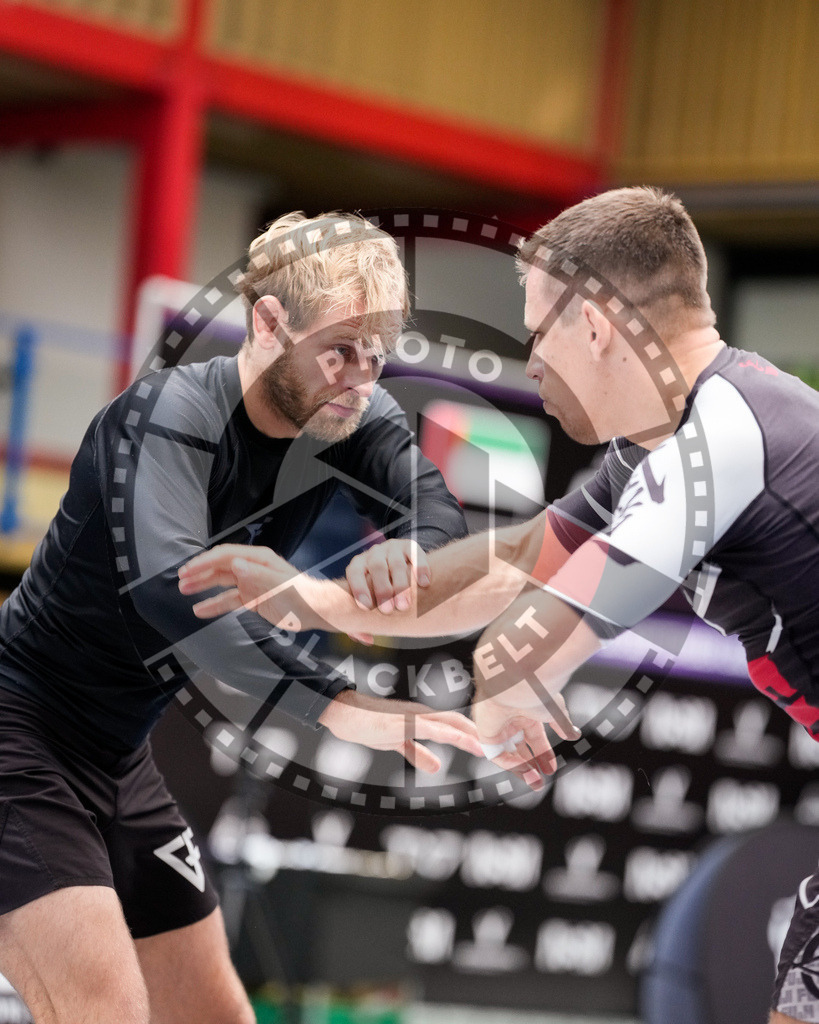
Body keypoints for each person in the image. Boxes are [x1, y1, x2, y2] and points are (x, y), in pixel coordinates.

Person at [182, 187, 819, 1024]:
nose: (535, 363)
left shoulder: (721, 434)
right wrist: (321, 601)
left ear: (594, 323)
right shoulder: (666, 443)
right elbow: (520, 560)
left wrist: (505, 672)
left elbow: (561, 622)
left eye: (538, 333)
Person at [0, 210, 482, 1024]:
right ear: (267, 322)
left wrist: (408, 546)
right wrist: (341, 705)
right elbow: (176, 596)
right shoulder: (167, 417)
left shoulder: (351, 413)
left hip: (118, 759)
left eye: (377, 356)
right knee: (103, 1012)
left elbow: (436, 509)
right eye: (338, 352)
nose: (359, 382)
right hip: (18, 738)